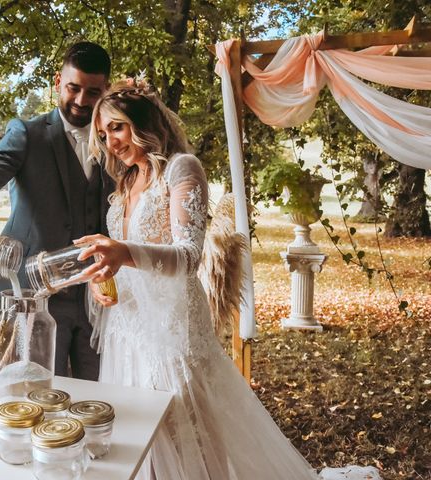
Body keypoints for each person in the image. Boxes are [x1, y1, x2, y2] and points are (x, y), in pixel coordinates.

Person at [74, 81, 380, 480]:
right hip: (129, 328)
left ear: (143, 120)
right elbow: (126, 255)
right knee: (141, 432)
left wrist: (124, 253)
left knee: (187, 426)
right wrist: (104, 276)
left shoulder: (182, 169)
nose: (110, 142)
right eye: (102, 134)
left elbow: (188, 255)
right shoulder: (129, 180)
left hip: (172, 327)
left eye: (116, 127)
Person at [0, 41, 115, 381]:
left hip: (98, 302)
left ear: (106, 90)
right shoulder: (27, 134)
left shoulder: (116, 140)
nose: (81, 101)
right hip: (31, 299)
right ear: (57, 83)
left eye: (93, 92)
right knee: (28, 399)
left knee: (96, 397)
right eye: (73, 88)